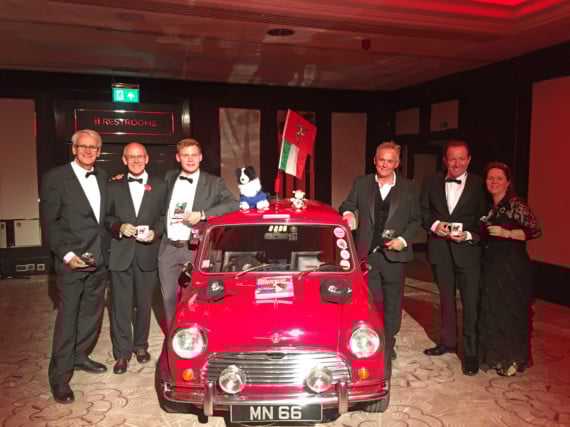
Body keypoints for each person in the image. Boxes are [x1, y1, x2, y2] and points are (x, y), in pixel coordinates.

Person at [40, 129, 110, 404]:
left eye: (93, 147)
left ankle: (80, 356)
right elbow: (50, 223)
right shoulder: (55, 177)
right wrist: (67, 255)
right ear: (74, 148)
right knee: (67, 319)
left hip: (98, 259)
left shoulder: (103, 176)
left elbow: (102, 219)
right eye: (83, 146)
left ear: (99, 151)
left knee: (91, 315)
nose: (88, 151)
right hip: (71, 261)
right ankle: (59, 378)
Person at [339, 141, 421, 376]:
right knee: (371, 302)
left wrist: (403, 240)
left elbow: (416, 220)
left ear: (397, 163)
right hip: (368, 254)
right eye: (381, 160)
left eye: (390, 161)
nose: (385, 164)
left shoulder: (408, 187)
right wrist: (348, 214)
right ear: (375, 160)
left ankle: (389, 342)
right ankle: (371, 343)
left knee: (393, 303)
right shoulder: (362, 183)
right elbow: (347, 204)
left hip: (395, 255)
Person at [420, 139, 487, 376]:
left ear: (469, 160)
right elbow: (423, 211)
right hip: (440, 251)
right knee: (446, 300)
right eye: (452, 159)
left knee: (470, 304)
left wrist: (468, 235)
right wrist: (435, 225)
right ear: (445, 161)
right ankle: (448, 342)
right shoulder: (430, 181)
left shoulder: (480, 184)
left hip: (468, 252)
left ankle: (470, 353)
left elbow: (484, 219)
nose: (456, 163)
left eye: (461, 159)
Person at [158, 138, 239, 329]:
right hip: (169, 247)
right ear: (178, 158)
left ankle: (199, 332)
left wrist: (202, 214)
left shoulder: (213, 182)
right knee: (168, 297)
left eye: (194, 155)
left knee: (199, 296)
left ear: (201, 157)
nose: (190, 159)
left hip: (196, 248)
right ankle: (173, 334)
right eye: (185, 155)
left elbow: (233, 204)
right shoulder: (169, 178)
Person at [106, 143, 167, 375]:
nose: (136, 160)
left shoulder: (160, 186)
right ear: (124, 160)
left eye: (140, 156)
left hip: (147, 253)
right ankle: (122, 353)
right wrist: (119, 226)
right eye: (131, 157)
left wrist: (156, 233)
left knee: (144, 304)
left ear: (147, 158)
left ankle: (140, 345)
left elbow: (164, 217)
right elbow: (106, 217)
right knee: (120, 306)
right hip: (121, 253)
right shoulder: (113, 186)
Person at [478, 161, 541, 376]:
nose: (494, 182)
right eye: (490, 178)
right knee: (494, 310)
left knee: (510, 309)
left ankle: (512, 359)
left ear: (507, 183)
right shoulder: (491, 205)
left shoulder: (515, 203)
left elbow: (535, 230)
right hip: (491, 264)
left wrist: (508, 233)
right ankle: (497, 357)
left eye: (499, 178)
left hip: (511, 265)